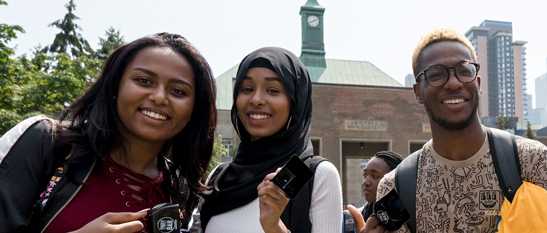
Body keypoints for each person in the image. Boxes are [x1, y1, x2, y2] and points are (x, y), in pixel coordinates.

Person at [356, 27, 547, 233]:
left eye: (464, 71)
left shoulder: (531, 160)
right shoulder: (396, 187)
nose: (453, 83)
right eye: (436, 74)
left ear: (477, 83)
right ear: (418, 91)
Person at [0, 32, 217, 233]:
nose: (159, 97)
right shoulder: (44, 140)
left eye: (178, 91)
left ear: (193, 110)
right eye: (144, 81)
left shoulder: (181, 188)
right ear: (115, 87)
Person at [198, 47, 342, 233]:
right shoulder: (219, 177)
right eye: (247, 89)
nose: (256, 99)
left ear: (295, 102)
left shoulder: (316, 175)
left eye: (273, 90)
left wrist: (275, 227)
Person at [345, 151, 404, 232]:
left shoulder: (415, 222)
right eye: (365, 175)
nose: (365, 182)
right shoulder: (347, 221)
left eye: (375, 176)